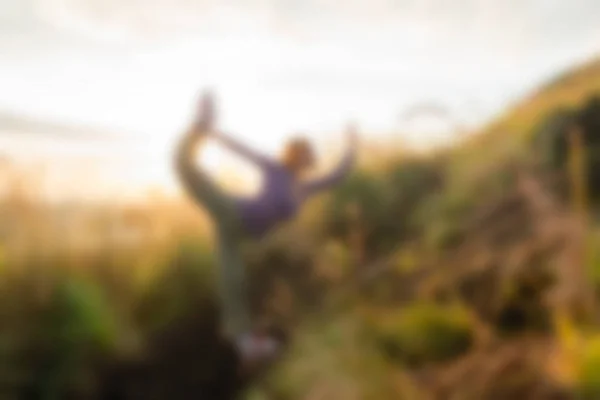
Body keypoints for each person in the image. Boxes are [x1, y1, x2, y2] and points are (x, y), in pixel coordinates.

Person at [174, 91, 358, 373]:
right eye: (302, 154)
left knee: (232, 281)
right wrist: (213, 133)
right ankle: (198, 125)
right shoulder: (274, 168)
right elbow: (243, 150)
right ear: (294, 154)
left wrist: (351, 144)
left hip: (242, 234)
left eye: (308, 157)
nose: (306, 160)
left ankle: (246, 344)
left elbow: (338, 176)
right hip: (233, 211)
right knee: (189, 172)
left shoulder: (305, 189)